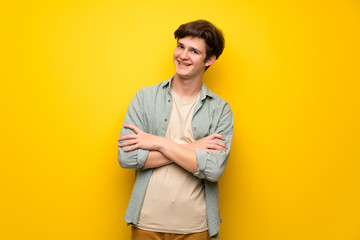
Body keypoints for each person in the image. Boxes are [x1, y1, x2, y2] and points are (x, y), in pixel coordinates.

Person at [117, 19, 234, 240]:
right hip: (146, 221)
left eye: (193, 51)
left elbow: (213, 170)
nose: (183, 56)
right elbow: (127, 157)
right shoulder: (144, 98)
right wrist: (192, 148)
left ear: (209, 59)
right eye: (180, 46)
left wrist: (158, 142)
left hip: (196, 226)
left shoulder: (220, 110)